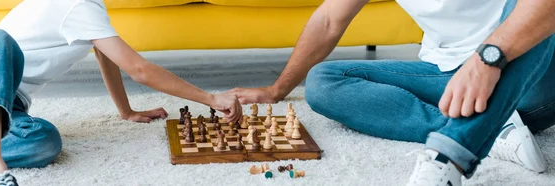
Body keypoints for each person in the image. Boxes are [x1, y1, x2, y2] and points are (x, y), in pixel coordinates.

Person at [229, 0, 555, 185]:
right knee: (325, 81)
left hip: (531, 74)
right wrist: (276, 90)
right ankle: (495, 129)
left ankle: (456, 145)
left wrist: (486, 60)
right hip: (448, 78)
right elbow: (329, 20)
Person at [0, 0, 242, 185]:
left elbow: (107, 56)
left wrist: (126, 111)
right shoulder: (77, 6)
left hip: (5, 108)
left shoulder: (91, 10)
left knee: (44, 141)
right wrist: (211, 99)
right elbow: (140, 70)